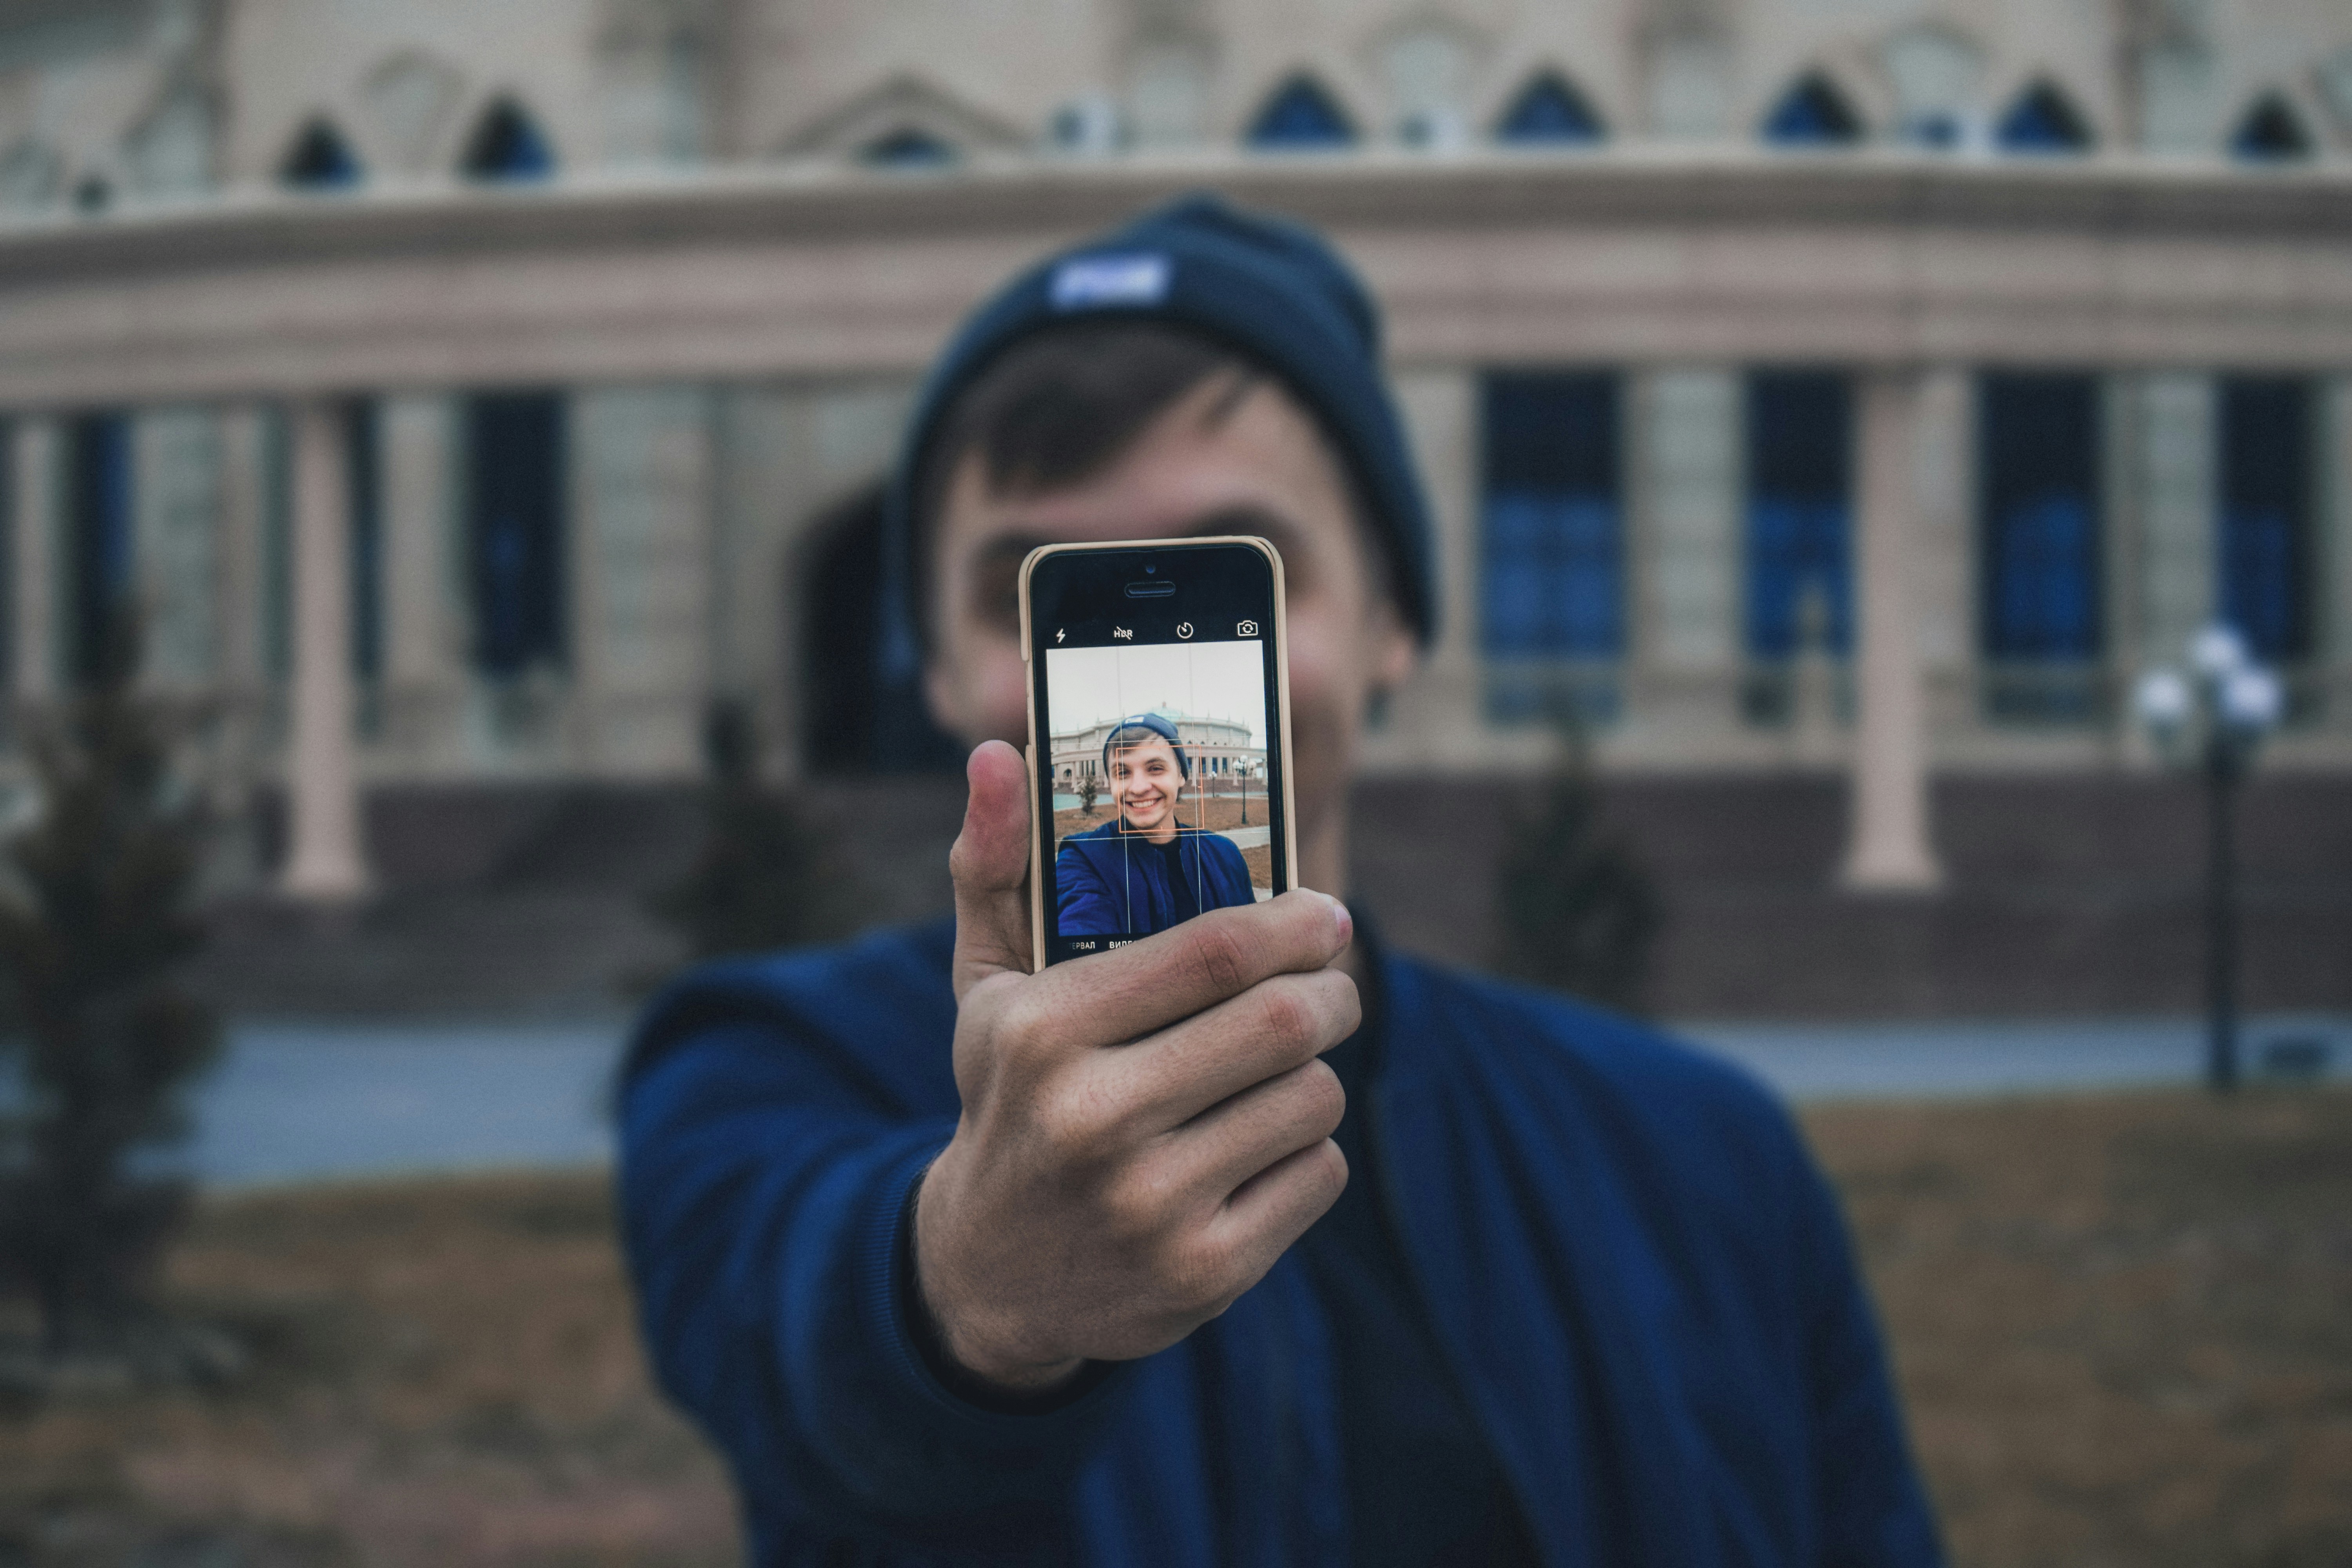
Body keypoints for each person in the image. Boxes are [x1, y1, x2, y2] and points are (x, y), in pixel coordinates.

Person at [620, 195, 1944, 1566]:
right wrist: (965, 1288)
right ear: (943, 669)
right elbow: (782, 1314)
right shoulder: (756, 1066)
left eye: (1236, 568)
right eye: (1035, 582)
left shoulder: (1704, 1157)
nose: (1145, 695)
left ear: (1396, 622)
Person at [1056, 713, 1257, 936]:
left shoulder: (1224, 854)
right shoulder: (1083, 858)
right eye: (1122, 773)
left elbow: (1253, 940)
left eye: (1155, 768)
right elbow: (1080, 931)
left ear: (1181, 776)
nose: (1139, 788)